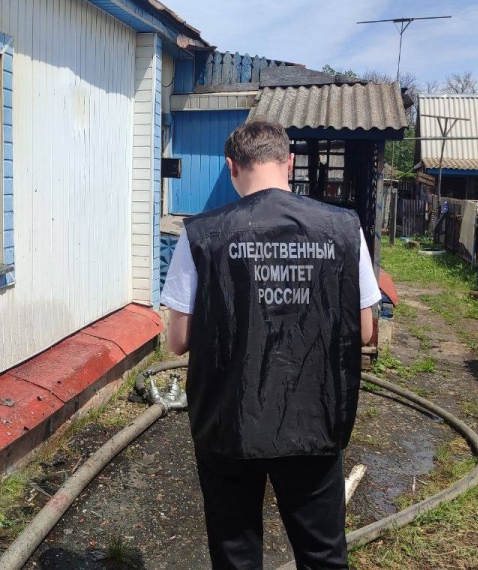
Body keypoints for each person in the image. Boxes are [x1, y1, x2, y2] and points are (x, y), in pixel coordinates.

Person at [160, 120, 380, 570]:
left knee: (235, 554)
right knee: (322, 553)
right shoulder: (343, 227)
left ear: (232, 166)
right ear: (289, 162)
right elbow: (364, 331)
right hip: (314, 417)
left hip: (229, 420)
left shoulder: (201, 233)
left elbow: (178, 342)